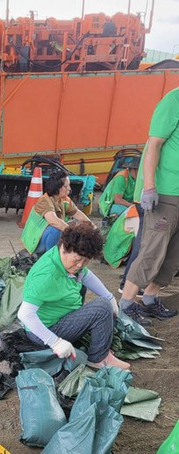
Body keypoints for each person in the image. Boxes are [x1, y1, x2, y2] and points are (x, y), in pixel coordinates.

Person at [18, 222, 130, 370]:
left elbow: (86, 275)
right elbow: (25, 314)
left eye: (86, 261)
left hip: (60, 316)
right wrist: (55, 342)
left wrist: (110, 296)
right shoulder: (46, 276)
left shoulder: (62, 258)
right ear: (64, 248)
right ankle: (99, 357)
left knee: (88, 290)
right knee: (102, 307)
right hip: (45, 331)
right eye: (77, 260)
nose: (80, 265)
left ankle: (89, 334)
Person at [118, 87, 179, 326]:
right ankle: (126, 305)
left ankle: (151, 298)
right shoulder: (173, 100)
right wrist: (150, 186)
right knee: (152, 250)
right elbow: (154, 144)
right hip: (165, 192)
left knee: (174, 254)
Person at [21, 169, 94, 256]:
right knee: (56, 228)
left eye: (69, 186)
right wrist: (73, 234)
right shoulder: (44, 201)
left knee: (77, 224)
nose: (69, 189)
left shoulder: (64, 199)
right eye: (66, 187)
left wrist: (92, 226)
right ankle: (49, 256)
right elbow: (53, 221)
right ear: (57, 188)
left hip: (46, 236)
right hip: (35, 242)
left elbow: (77, 213)